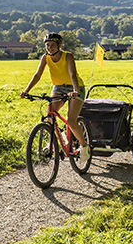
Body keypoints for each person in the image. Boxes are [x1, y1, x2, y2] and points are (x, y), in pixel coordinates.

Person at [19, 32, 91, 163]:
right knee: (50, 114)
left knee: (71, 120)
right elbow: (37, 75)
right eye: (47, 45)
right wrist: (26, 91)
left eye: (52, 45)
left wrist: (75, 90)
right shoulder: (45, 58)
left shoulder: (67, 56)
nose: (49, 47)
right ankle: (57, 140)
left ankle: (84, 146)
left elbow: (72, 74)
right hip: (58, 87)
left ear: (59, 45)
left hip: (76, 87)